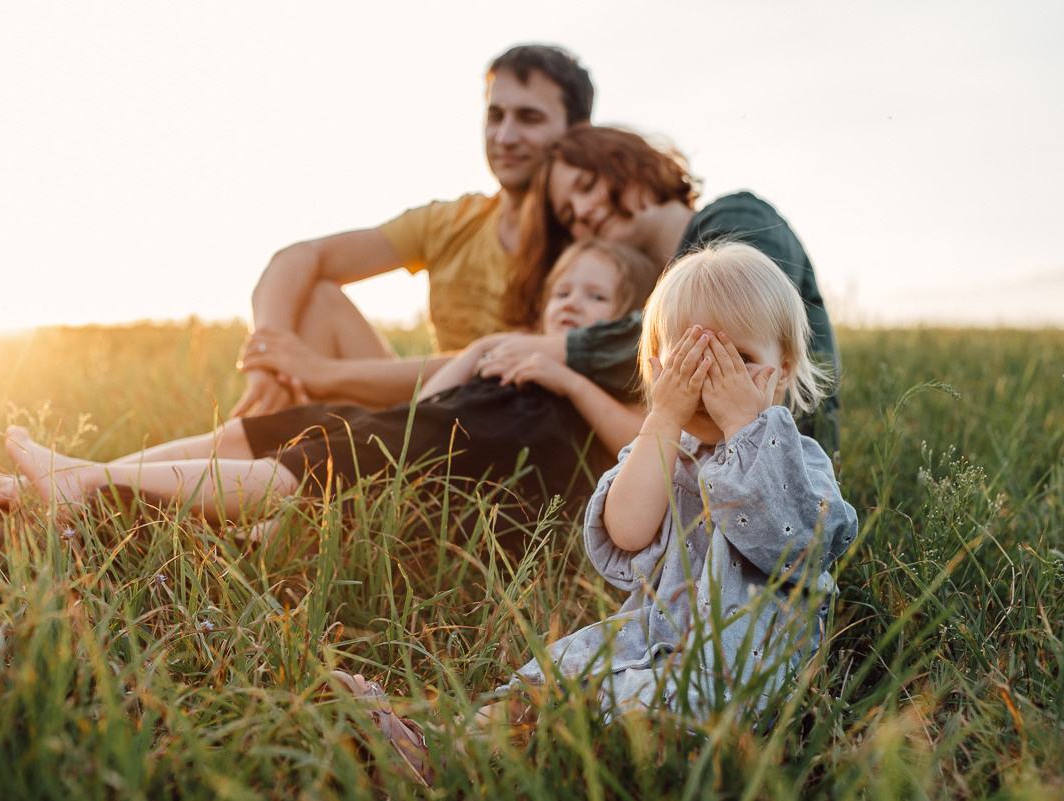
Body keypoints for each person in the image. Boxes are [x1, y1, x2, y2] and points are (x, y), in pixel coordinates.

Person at [329, 243, 858, 784]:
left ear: (782, 370)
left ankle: (572, 762)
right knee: (553, 676)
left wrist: (746, 429)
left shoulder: (795, 459)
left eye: (737, 360)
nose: (707, 381)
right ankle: (438, 752)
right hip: (646, 638)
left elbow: (795, 544)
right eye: (687, 361)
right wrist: (662, 420)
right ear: (657, 368)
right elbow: (626, 533)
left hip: (740, 663)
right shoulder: (663, 454)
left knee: (643, 718)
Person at [0, 239, 659, 523]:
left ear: (624, 324)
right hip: (430, 425)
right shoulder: (509, 347)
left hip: (489, 456)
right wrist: (380, 421)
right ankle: (82, 477)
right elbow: (432, 397)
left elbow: (642, 439)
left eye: (595, 299)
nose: (572, 302)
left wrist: (568, 383)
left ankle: (89, 484)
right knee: (263, 432)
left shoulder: (613, 380)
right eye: (563, 289)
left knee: (308, 466)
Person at [233, 44, 595, 416]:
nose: (504, 136)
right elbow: (298, 257)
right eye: (495, 115)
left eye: (529, 118)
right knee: (318, 298)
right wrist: (268, 361)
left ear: (578, 131)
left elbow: (497, 361)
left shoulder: (591, 243)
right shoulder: (451, 221)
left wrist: (325, 373)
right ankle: (286, 443)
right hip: (429, 412)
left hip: (510, 430)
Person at [504, 125, 842, 459]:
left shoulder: (738, 216)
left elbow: (735, 327)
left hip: (782, 465)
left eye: (588, 185)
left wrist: (559, 350)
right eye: (568, 215)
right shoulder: (639, 294)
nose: (582, 211)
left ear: (636, 165)